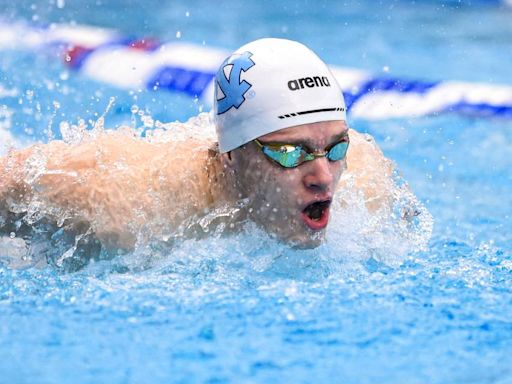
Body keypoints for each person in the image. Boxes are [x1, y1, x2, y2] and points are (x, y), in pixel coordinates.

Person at [0, 38, 397, 261]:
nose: (323, 177)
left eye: (335, 147)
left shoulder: (368, 181)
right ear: (230, 154)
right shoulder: (127, 203)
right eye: (290, 153)